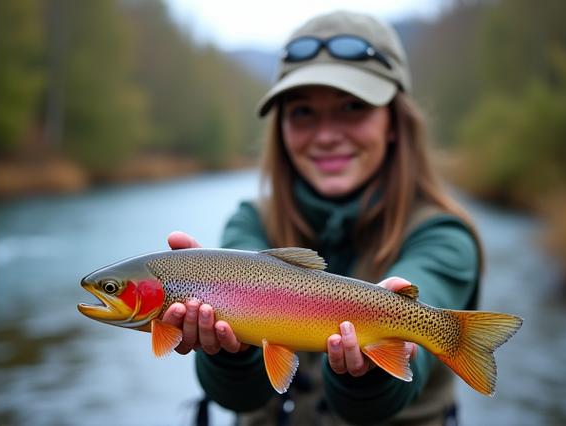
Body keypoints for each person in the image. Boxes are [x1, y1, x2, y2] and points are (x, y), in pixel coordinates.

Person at [164, 10, 481, 426]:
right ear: (281, 129)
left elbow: (408, 368)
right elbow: (237, 397)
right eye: (302, 112)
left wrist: (371, 373)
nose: (327, 134)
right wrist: (231, 354)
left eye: (353, 107)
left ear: (394, 124)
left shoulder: (443, 236)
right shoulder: (249, 223)